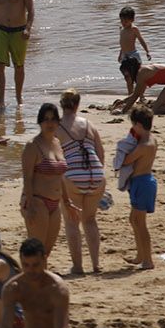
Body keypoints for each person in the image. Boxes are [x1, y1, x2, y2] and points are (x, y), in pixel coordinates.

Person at [0, 237, 73, 328]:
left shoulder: (57, 289)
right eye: (26, 265)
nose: (31, 271)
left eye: (35, 265)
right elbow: (5, 325)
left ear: (44, 259)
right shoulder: (13, 288)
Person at [55, 90, 106, 275]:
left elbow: (54, 158)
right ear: (77, 105)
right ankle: (96, 264)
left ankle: (77, 266)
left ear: (62, 105)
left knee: (71, 221)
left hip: (73, 176)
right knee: (90, 220)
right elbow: (101, 153)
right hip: (96, 174)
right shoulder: (88, 124)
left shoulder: (57, 127)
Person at [20, 104, 67, 258]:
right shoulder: (32, 146)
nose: (50, 123)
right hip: (38, 201)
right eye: (46, 119)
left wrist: (66, 201)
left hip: (55, 203)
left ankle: (41, 280)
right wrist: (31, 204)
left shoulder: (57, 143)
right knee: (36, 252)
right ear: (40, 122)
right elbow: (27, 177)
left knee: (46, 252)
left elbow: (61, 176)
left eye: (53, 119)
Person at [121, 104, 159, 270]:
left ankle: (147, 259)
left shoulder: (143, 145)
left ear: (138, 125)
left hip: (142, 183)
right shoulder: (151, 139)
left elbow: (127, 160)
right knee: (134, 219)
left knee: (140, 222)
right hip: (142, 182)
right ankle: (140, 255)